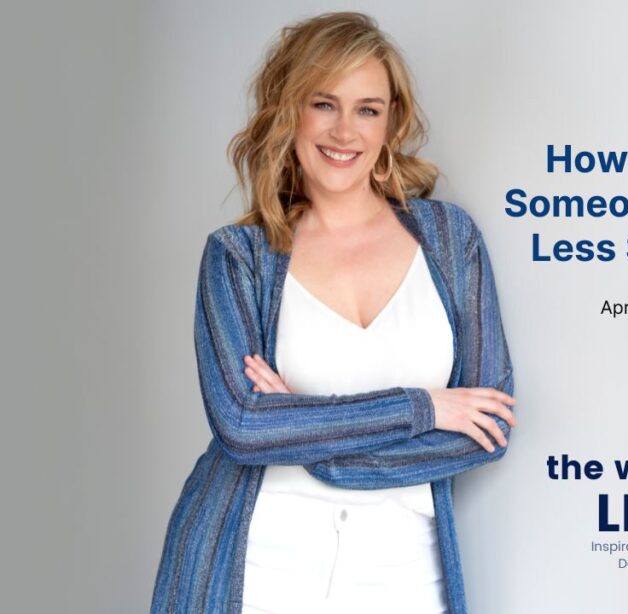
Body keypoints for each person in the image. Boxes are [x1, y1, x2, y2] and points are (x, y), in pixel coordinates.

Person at [150, 12, 517, 614]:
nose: (345, 131)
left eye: (368, 109)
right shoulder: (237, 258)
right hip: (256, 569)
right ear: (289, 111)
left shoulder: (450, 241)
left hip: (404, 579)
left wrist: (298, 432)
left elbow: (488, 430)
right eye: (324, 104)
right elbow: (242, 427)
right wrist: (423, 407)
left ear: (391, 121)